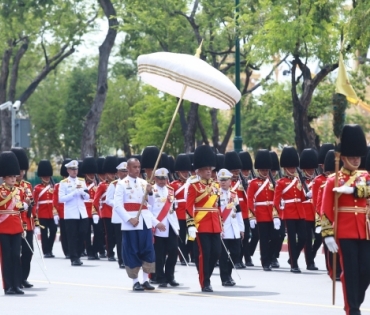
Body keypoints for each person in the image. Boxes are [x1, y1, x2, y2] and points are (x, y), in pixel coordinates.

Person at [321, 124, 370, 315]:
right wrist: (327, 235)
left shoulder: (365, 177)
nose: (356, 159)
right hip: (345, 230)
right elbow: (325, 209)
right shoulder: (333, 180)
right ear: (343, 158)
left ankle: (354, 300)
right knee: (350, 273)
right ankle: (353, 309)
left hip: (365, 230)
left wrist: (354, 190)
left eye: (358, 156)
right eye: (352, 157)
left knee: (366, 270)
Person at [114, 158, 166, 291]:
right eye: (134, 167)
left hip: (145, 222)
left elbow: (150, 205)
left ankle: (145, 280)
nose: (137, 169)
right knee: (132, 251)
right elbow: (117, 205)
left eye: (139, 167)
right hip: (131, 224)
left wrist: (150, 192)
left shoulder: (144, 183)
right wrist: (129, 219)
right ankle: (135, 281)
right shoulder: (122, 184)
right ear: (129, 168)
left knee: (147, 250)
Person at [186, 145, 222, 292]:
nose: (209, 171)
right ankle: (205, 282)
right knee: (205, 253)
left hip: (214, 224)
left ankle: (205, 274)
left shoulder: (215, 186)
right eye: (205, 169)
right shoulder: (194, 186)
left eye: (210, 169)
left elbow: (217, 206)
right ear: (199, 171)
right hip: (201, 224)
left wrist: (221, 223)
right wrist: (191, 225)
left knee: (216, 252)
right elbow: (189, 207)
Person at [273, 146, 306, 273]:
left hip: (300, 212)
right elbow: (276, 200)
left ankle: (294, 256)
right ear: (285, 168)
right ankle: (294, 264)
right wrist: (276, 215)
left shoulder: (299, 180)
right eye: (290, 167)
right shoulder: (281, 183)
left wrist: (306, 195)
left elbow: (302, 197)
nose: (292, 169)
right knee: (292, 239)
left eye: (293, 167)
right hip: (289, 212)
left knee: (303, 237)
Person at [247, 149, 280, 271]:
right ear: (258, 170)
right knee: (264, 239)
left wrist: (277, 215)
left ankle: (271, 256)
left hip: (271, 213)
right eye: (263, 170)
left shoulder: (273, 182)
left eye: (267, 170)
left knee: (276, 237)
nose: (265, 172)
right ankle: (265, 261)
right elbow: (250, 200)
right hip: (260, 214)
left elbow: (276, 199)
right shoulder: (253, 183)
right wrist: (252, 216)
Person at [12, 147, 39, 288]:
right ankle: (16, 279)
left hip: (27, 224)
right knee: (16, 254)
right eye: (19, 171)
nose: (21, 173)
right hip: (16, 223)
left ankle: (23, 278)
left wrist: (35, 222)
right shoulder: (9, 187)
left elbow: (33, 205)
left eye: (23, 171)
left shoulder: (27, 185)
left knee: (29, 252)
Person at [149, 167, 180, 287]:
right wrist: (156, 223)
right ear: (155, 178)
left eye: (164, 178)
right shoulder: (151, 190)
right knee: (159, 254)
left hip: (170, 225)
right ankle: (160, 277)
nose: (162, 181)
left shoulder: (171, 191)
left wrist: (176, 226)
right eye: (160, 179)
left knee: (173, 252)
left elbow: (173, 209)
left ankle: (170, 276)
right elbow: (149, 210)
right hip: (157, 226)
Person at [0, 151, 26, 295]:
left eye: (14, 176)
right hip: (3, 227)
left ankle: (17, 284)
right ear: (4, 177)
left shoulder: (20, 191)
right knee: (6, 257)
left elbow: (20, 209)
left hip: (16, 226)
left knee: (16, 256)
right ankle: (8, 285)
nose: (12, 179)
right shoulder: (0, 191)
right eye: (10, 176)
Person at [58, 160, 91, 266]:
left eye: (76, 169)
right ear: (68, 170)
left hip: (82, 212)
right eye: (72, 169)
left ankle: (79, 252)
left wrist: (82, 193)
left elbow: (87, 196)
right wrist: (73, 193)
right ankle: (74, 257)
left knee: (83, 233)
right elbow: (61, 199)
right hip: (71, 214)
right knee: (72, 236)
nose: (74, 171)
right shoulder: (63, 183)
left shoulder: (81, 181)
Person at [217, 168, 244, 286]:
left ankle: (229, 273)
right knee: (223, 256)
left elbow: (238, 212)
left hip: (234, 229)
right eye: (221, 180)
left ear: (230, 181)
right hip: (223, 228)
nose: (223, 182)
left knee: (236, 253)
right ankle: (225, 278)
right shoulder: (215, 194)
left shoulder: (234, 194)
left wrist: (241, 228)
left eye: (225, 180)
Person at [224, 151, 248, 269]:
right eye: (233, 171)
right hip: (229, 213)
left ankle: (240, 258)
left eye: (237, 171)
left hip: (243, 212)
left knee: (243, 237)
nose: (236, 173)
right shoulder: (225, 183)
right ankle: (236, 261)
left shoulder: (242, 181)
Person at [299, 148, 321, 271]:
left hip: (316, 213)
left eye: (312, 169)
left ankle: (311, 255)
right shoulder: (299, 182)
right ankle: (310, 263)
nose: (311, 171)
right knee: (307, 239)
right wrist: (304, 195)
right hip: (305, 213)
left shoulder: (317, 180)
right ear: (304, 169)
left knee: (320, 238)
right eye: (309, 169)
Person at [169, 153, 192, 265]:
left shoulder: (192, 184)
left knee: (192, 237)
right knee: (181, 237)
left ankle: (189, 252)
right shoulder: (173, 185)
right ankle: (183, 257)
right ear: (178, 172)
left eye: (186, 171)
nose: (185, 174)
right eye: (183, 172)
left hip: (190, 213)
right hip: (179, 214)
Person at [106, 161, 128, 268]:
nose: (125, 173)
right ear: (118, 172)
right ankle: (121, 260)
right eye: (123, 171)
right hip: (118, 216)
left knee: (129, 239)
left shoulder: (131, 183)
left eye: (126, 171)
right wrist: (118, 204)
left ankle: (129, 259)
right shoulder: (113, 184)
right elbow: (108, 200)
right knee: (120, 240)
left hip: (129, 216)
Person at [33, 160, 57, 258]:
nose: (46, 178)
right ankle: (46, 251)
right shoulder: (37, 188)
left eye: (48, 176)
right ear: (41, 177)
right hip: (42, 214)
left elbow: (56, 201)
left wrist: (57, 214)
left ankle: (50, 249)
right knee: (44, 233)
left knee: (53, 230)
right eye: (45, 176)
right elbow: (34, 203)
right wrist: (35, 215)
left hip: (52, 213)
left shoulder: (54, 187)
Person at [81, 157, 102, 261]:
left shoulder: (97, 184)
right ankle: (90, 252)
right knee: (86, 233)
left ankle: (95, 250)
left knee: (99, 232)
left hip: (96, 212)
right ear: (85, 174)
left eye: (93, 174)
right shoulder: (81, 184)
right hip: (85, 211)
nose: (92, 176)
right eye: (89, 174)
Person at [238, 151, 255, 267]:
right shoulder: (234, 182)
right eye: (244, 171)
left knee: (248, 236)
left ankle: (247, 256)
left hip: (248, 213)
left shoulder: (250, 182)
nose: (246, 173)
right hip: (239, 213)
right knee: (241, 237)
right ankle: (240, 258)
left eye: (248, 171)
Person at [53, 158, 71, 258]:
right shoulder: (58, 186)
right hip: (63, 213)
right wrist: (55, 213)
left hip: (72, 212)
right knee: (64, 233)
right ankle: (67, 251)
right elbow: (55, 200)